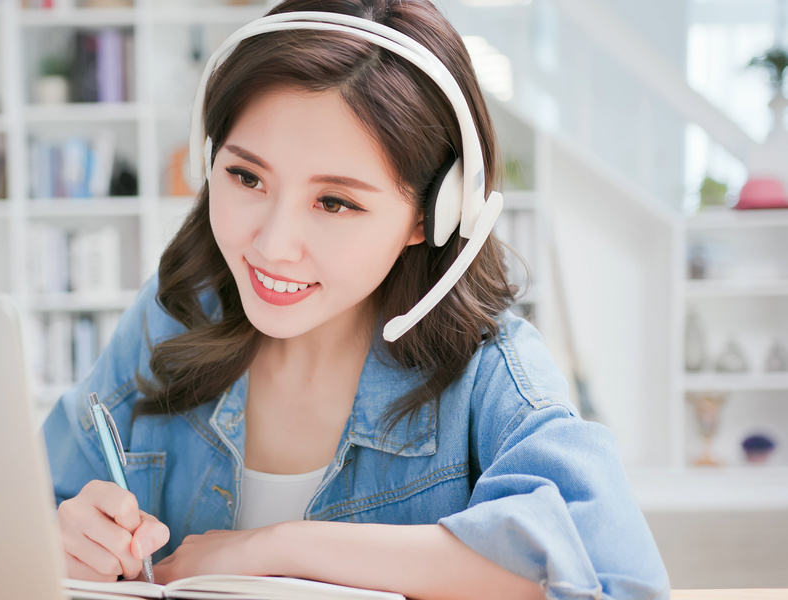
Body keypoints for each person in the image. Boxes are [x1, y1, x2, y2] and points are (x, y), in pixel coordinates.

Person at [42, 0, 670, 598]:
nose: (273, 245)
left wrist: (276, 549)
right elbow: (24, 514)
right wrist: (61, 540)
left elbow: (614, 573)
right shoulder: (169, 317)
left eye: (335, 202)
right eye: (246, 176)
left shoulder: (489, 371)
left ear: (436, 215)